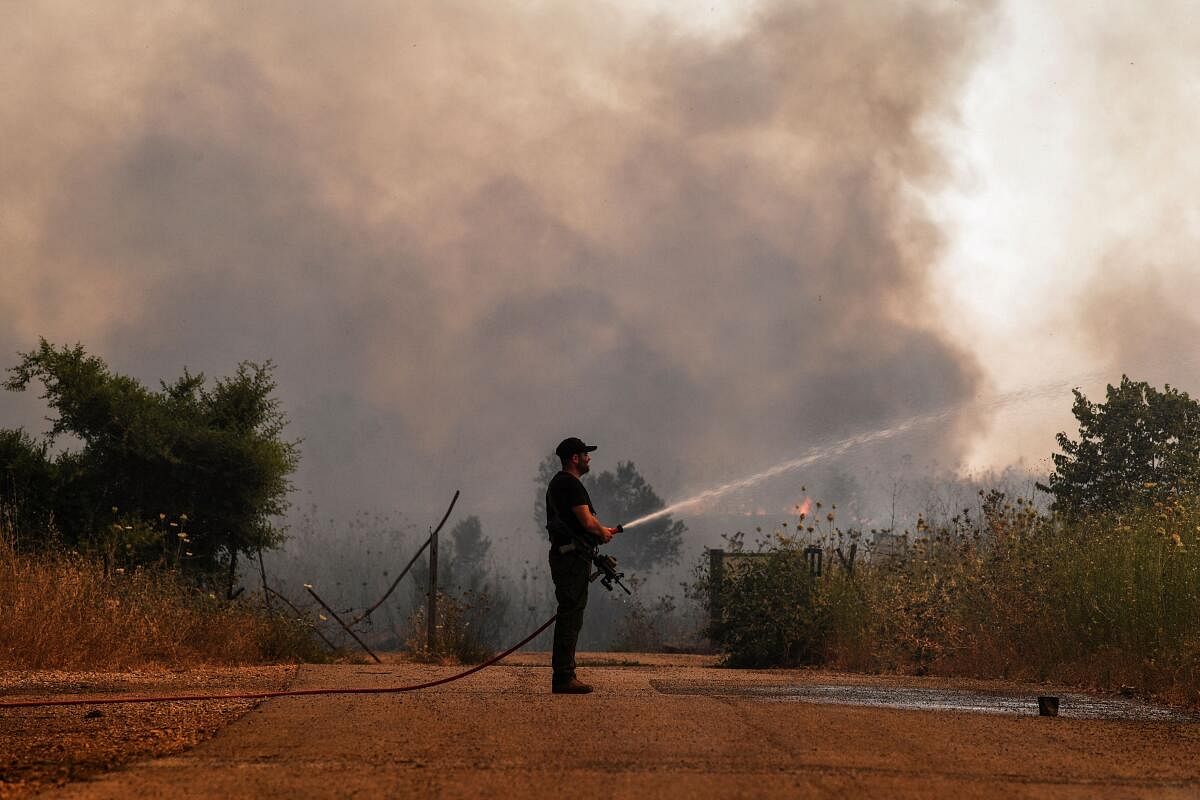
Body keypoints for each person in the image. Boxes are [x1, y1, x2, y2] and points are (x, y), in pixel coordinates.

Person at [544, 436, 619, 694]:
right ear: (574, 458)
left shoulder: (560, 484)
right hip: (570, 559)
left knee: (571, 613)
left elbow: (583, 524)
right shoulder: (569, 484)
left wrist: (600, 532)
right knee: (570, 615)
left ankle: (565, 675)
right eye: (585, 454)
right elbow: (587, 522)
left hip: (570, 556)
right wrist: (601, 532)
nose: (589, 458)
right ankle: (564, 677)